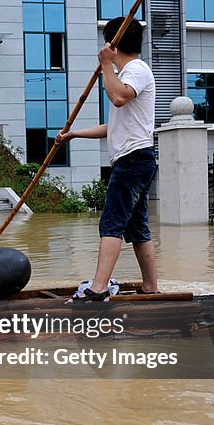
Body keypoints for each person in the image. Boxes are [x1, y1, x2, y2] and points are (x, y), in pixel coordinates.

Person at [55, 16, 158, 301]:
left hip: (133, 161)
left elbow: (118, 98)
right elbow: (112, 126)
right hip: (136, 159)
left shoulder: (135, 69)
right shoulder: (126, 75)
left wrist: (105, 64)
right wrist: (73, 134)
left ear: (112, 44)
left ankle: (98, 289)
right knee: (137, 228)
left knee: (111, 223)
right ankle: (150, 286)